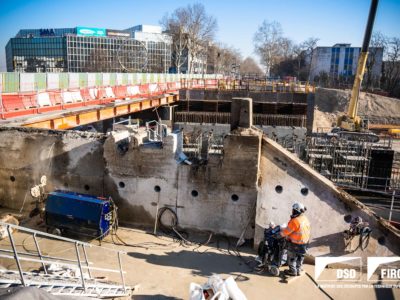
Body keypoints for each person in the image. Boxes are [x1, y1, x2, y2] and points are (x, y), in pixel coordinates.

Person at [280, 202, 310, 276]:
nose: (292, 211)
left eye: (293, 210)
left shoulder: (295, 221)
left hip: (295, 243)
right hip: (305, 243)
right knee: (300, 257)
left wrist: (279, 234)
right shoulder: (305, 218)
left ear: (297, 211)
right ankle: (298, 270)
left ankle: (293, 271)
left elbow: (285, 232)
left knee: (292, 257)